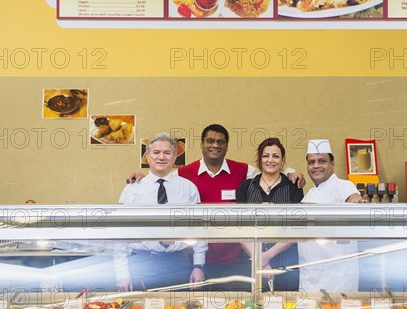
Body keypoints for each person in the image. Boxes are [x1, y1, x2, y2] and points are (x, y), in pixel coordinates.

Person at [126, 124, 305, 290]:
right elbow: (162, 177)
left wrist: (290, 172)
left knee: (236, 306)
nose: (215, 145)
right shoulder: (184, 173)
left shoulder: (243, 170)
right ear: (202, 144)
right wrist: (141, 177)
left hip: (238, 257)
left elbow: (269, 169)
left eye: (220, 142)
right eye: (210, 141)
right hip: (196, 260)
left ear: (226, 146)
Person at [115, 133, 207, 291]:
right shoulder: (132, 189)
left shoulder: (188, 188)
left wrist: (199, 265)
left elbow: (198, 229)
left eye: (167, 152)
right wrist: (121, 272)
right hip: (141, 262)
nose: (161, 157)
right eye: (156, 152)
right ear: (148, 157)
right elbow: (119, 234)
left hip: (179, 262)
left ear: (174, 156)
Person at [298, 139, 366, 293]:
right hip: (310, 279)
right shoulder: (308, 195)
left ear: (332, 163)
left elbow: (353, 197)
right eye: (311, 162)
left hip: (337, 281)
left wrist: (357, 201)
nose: (316, 166)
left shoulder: (343, 186)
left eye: (322, 161)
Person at [236, 137, 303, 291]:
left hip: (286, 263)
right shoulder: (246, 186)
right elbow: (239, 227)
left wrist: (267, 256)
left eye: (276, 156)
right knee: (252, 308)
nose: (270, 160)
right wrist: (259, 258)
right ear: (259, 159)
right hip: (251, 261)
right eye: (266, 156)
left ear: (283, 160)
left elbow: (296, 227)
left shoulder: (293, 187)